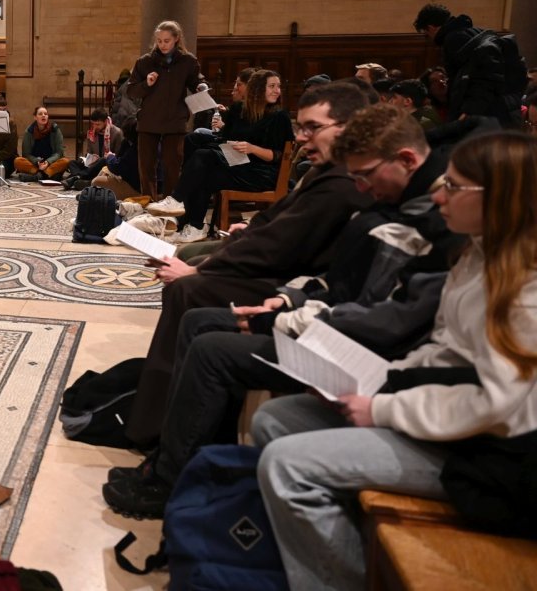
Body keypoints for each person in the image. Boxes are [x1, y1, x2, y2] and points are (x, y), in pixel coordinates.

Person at [103, 104, 462, 518]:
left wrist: (281, 316)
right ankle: (188, 458)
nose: (361, 186)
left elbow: (386, 313)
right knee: (200, 320)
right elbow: (343, 278)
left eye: (454, 187)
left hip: (357, 352)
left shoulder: (430, 225)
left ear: (406, 160)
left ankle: (169, 481)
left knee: (209, 340)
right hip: (334, 324)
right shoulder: (395, 202)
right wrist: (291, 301)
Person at [253, 130, 537, 591]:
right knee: (277, 418)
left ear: (500, 197)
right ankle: (327, 554)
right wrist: (375, 380)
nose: (438, 193)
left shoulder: (527, 290)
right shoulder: (476, 255)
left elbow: (493, 406)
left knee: (288, 465)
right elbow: (445, 349)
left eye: (454, 186)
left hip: (487, 455)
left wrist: (382, 408)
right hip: (449, 422)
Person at [121, 82, 374, 448]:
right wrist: (243, 232)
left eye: (312, 129)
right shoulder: (326, 171)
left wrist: (202, 271)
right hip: (285, 270)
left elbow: (279, 246)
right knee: (193, 256)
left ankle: (159, 423)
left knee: (188, 286)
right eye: (300, 127)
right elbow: (279, 223)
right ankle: (159, 407)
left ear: (350, 127)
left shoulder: (343, 182)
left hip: (291, 284)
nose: (302, 138)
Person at [147, 70, 294, 243]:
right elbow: (225, 139)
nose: (277, 90)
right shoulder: (239, 109)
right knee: (201, 160)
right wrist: (231, 146)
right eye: (272, 86)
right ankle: (194, 225)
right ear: (257, 89)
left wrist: (252, 148)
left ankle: (181, 207)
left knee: (204, 161)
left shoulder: (279, 117)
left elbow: (278, 156)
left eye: (278, 86)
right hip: (239, 163)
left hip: (263, 172)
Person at [414, 3, 527, 125]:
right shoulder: (476, 32)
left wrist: (470, 110)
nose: (429, 38)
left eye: (427, 34)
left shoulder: (453, 39)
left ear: (431, 28)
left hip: (487, 109)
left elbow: (483, 73)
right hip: (504, 101)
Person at [125, 20, 201, 199]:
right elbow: (131, 90)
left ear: (176, 39)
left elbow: (197, 81)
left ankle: (170, 203)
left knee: (172, 166)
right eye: (159, 40)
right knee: (146, 167)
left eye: (166, 40)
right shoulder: (145, 62)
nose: (162, 44)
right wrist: (146, 84)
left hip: (175, 120)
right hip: (149, 120)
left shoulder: (187, 61)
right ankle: (149, 203)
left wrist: (202, 86)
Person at [62, 108, 123, 190]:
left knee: (102, 160)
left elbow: (119, 155)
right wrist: (89, 158)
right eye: (93, 124)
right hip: (93, 164)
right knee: (72, 163)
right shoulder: (91, 132)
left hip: (106, 164)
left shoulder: (117, 133)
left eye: (98, 124)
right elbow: (89, 152)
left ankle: (77, 177)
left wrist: (108, 156)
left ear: (105, 122)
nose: (95, 127)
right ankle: (80, 178)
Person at [14, 106, 70, 181]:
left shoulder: (55, 130)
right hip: (35, 164)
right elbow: (26, 154)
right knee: (17, 161)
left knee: (66, 161)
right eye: (40, 114)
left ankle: (37, 176)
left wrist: (48, 162)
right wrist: (37, 162)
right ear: (35, 117)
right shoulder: (29, 131)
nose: (43, 115)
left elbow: (59, 152)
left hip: (51, 163)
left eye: (45, 114)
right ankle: (48, 174)